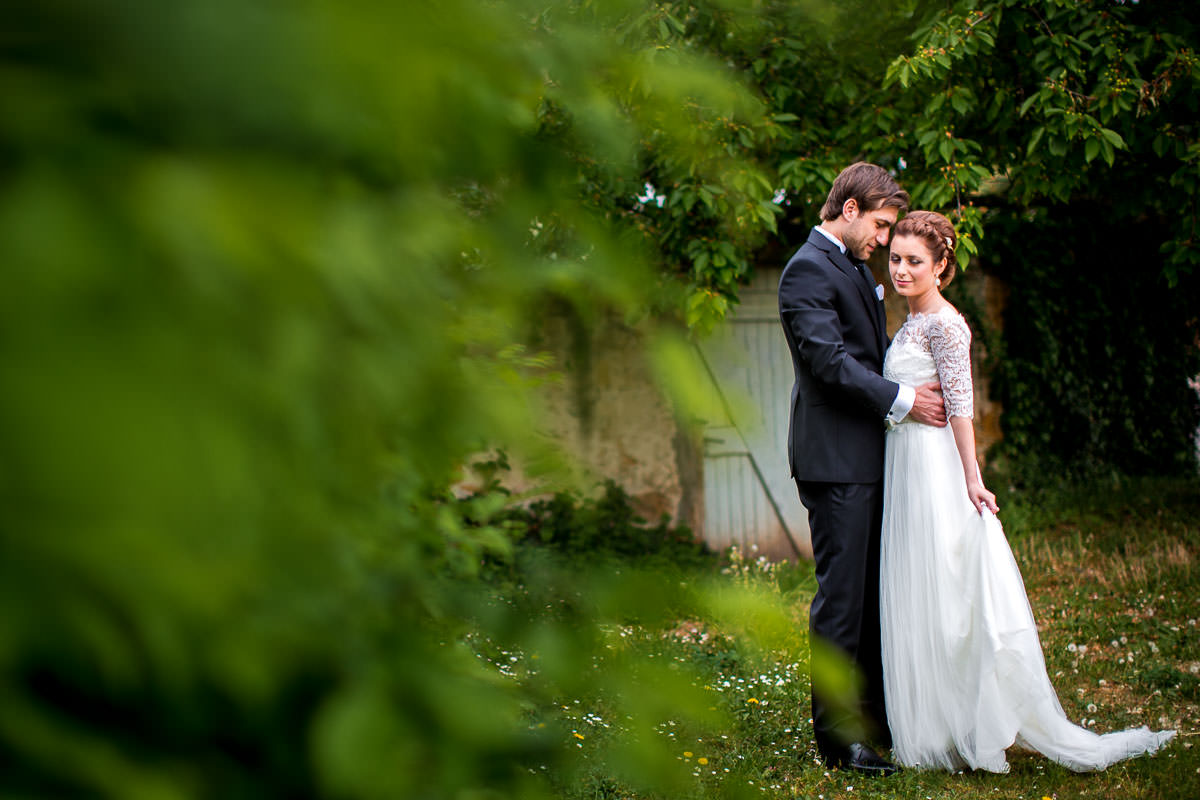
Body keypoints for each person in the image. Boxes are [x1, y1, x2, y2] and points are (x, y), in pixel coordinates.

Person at [878, 210, 1176, 772]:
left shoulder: (945, 324)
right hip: (906, 465)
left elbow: (961, 405)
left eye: (915, 261)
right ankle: (934, 722)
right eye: (895, 258)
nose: (901, 269)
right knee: (922, 588)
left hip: (934, 469)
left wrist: (972, 477)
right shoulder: (910, 320)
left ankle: (970, 720)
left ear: (941, 265)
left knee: (947, 593)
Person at [778, 163, 947, 776]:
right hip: (834, 462)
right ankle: (839, 740)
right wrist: (904, 401)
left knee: (876, 596)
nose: (884, 240)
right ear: (849, 210)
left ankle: (877, 720)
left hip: (872, 459)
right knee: (842, 603)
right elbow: (828, 362)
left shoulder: (853, 267)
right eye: (879, 225)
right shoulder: (805, 270)